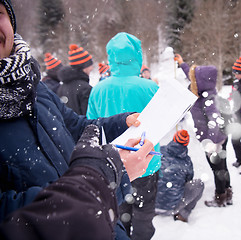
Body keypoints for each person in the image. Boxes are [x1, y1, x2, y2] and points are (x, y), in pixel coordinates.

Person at [0, 3, 140, 238]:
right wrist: (101, 178)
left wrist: (122, 122)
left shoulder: (35, 87)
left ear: (12, 22)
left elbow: (77, 127)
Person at [0, 124, 155, 240]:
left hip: (101, 215)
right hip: (88, 214)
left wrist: (119, 121)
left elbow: (75, 122)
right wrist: (94, 177)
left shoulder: (37, 88)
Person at [87, 32, 160, 240]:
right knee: (144, 213)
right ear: (137, 56)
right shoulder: (150, 87)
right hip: (146, 160)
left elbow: (90, 125)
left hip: (113, 163)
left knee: (120, 213)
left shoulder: (98, 90)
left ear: (111, 58)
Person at [174, 53, 232, 208]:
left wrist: (211, 143)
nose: (191, 81)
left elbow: (215, 120)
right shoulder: (204, 90)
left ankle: (220, 197)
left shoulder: (208, 99)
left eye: (194, 79)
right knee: (223, 166)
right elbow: (191, 74)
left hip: (214, 141)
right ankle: (228, 191)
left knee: (218, 169)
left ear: (201, 82)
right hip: (220, 138)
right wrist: (182, 63)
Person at [155, 130, 204, 222]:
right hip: (172, 207)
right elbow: (188, 180)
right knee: (199, 184)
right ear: (186, 143)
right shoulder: (187, 162)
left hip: (149, 204)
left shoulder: (158, 151)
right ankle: (183, 214)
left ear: (174, 139)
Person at [57, 44, 94, 115]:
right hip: (82, 126)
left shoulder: (61, 88)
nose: (91, 68)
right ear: (84, 66)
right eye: (90, 65)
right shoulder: (85, 88)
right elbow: (89, 115)